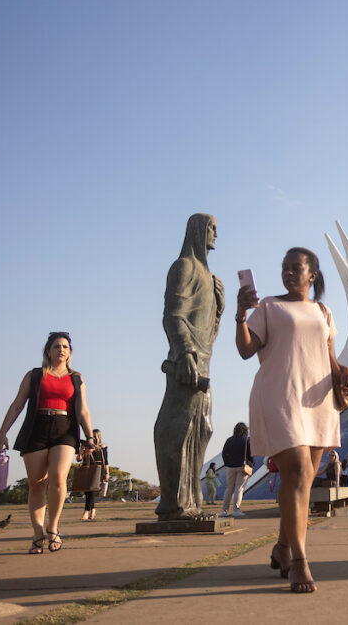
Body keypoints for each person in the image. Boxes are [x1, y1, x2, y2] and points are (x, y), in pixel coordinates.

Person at [236, 246, 348, 593]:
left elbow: (329, 355)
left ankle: (283, 547)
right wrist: (241, 316)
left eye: (295, 268)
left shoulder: (323, 310)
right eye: (284, 268)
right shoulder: (269, 307)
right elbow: (246, 350)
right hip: (279, 395)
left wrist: (342, 372)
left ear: (311, 275)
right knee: (300, 472)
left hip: (317, 399)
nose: (288, 273)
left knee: (302, 480)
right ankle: (300, 562)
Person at [0, 332, 96, 554]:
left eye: (65, 346)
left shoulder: (77, 378)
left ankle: (53, 529)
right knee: (36, 484)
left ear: (70, 352)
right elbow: (17, 405)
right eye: (56, 346)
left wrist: (89, 437)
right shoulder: (34, 375)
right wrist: (2, 433)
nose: (61, 350)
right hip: (36, 429)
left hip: (64, 430)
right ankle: (37, 534)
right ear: (48, 351)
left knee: (59, 479)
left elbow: (83, 411)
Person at [155, 213, 224, 521]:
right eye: (211, 228)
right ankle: (172, 503)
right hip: (187, 366)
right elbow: (172, 314)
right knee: (177, 431)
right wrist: (184, 351)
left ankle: (190, 503)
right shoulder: (184, 267)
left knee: (201, 433)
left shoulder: (210, 278)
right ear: (197, 230)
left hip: (204, 366)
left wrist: (220, 309)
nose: (215, 235)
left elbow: (208, 331)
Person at [221, 422, 254, 517]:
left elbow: (224, 453)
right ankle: (236, 510)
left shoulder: (229, 440)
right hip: (242, 467)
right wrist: (251, 464)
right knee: (239, 488)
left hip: (231, 467)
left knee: (229, 488)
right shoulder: (247, 440)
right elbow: (250, 455)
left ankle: (224, 510)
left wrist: (227, 463)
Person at [79, 429, 109, 521]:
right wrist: (82, 451)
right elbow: (79, 459)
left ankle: (86, 511)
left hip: (97, 470)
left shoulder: (101, 447)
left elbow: (106, 461)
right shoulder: (85, 446)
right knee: (87, 491)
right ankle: (93, 510)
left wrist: (107, 473)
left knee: (92, 490)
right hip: (87, 469)